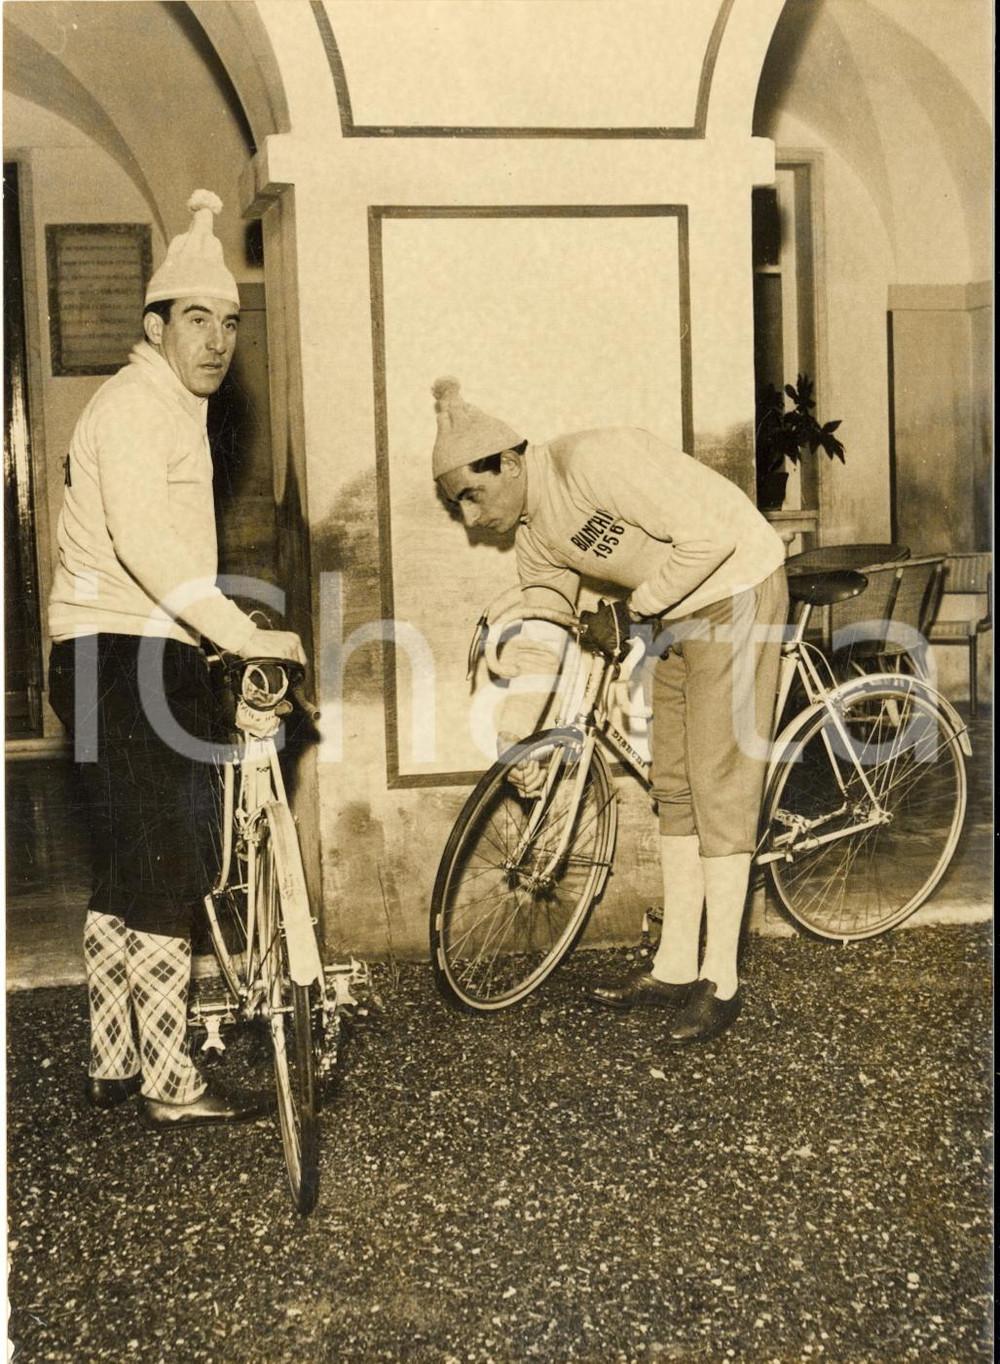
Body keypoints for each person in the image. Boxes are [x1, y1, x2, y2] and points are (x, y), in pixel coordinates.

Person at [47, 190, 305, 1127]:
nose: (218, 341)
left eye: (231, 324)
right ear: (154, 325)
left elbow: (168, 559)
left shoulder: (167, 405)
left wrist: (215, 628)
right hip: (123, 654)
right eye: (197, 320)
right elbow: (150, 550)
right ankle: (171, 1080)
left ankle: (114, 1062)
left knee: (124, 859)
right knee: (167, 859)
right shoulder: (133, 408)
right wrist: (241, 634)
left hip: (112, 652)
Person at [431, 377, 788, 1043]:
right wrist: (517, 737)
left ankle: (723, 980)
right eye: (459, 508)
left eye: (472, 496)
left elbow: (708, 538)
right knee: (674, 787)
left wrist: (632, 609)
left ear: (507, 463)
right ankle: (676, 966)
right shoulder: (535, 536)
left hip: (737, 585)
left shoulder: (592, 461)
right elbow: (544, 629)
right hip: (671, 612)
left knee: (718, 782)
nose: (472, 518)